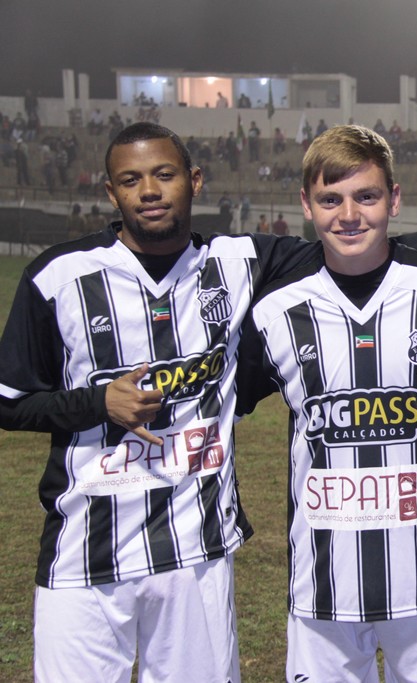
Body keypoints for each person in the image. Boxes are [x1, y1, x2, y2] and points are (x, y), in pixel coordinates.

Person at [0, 122, 323, 682]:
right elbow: (10, 402)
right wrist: (98, 403)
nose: (148, 190)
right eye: (130, 180)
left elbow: (356, 245)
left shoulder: (241, 261)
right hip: (84, 554)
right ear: (111, 192)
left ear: (193, 180)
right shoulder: (58, 277)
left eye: (163, 174)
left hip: (195, 551)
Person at [235, 123, 417, 683]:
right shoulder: (275, 312)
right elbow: (218, 407)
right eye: (331, 199)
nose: (349, 215)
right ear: (307, 204)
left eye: (366, 196)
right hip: (323, 585)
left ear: (394, 199)